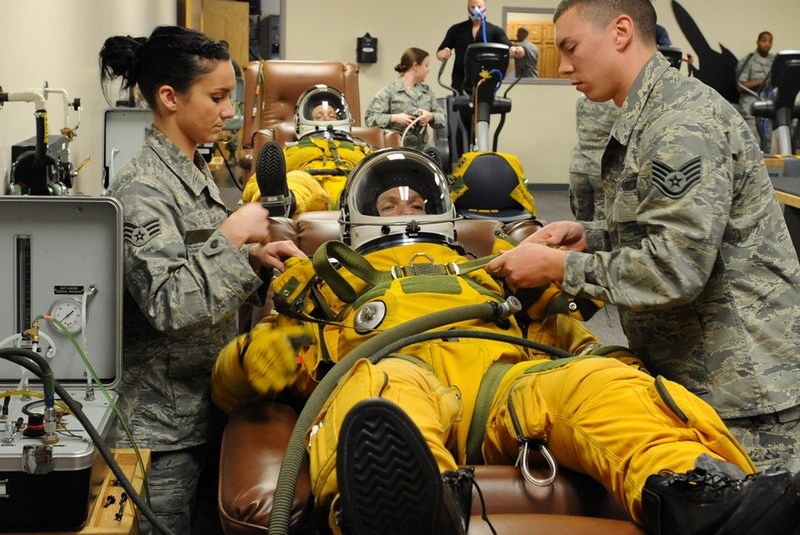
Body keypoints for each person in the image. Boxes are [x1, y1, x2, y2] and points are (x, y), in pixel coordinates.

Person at [211, 148, 800, 535]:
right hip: (396, 365)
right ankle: (418, 513)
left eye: (418, 200)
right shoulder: (323, 272)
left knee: (598, 386)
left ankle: (704, 500)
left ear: (444, 209)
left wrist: (606, 361)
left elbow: (562, 336)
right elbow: (256, 365)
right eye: (389, 202)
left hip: (507, 384)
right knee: (380, 396)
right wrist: (254, 359)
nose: (406, 209)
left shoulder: (493, 265)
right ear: (358, 213)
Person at [486, 0, 800, 476]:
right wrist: (592, 235)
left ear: (621, 31)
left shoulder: (680, 126)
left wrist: (559, 267)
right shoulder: (652, 112)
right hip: (700, 372)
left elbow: (675, 268)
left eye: (570, 47)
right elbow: (669, 232)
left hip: (745, 390)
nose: (563, 65)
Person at [99, 25, 304, 534]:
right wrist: (232, 237)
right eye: (216, 98)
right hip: (159, 427)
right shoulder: (143, 189)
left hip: (201, 397)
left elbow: (192, 267)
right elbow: (169, 303)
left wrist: (253, 260)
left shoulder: (189, 170)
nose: (229, 112)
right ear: (169, 98)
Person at [241, 84, 372, 216]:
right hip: (310, 187)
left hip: (352, 188)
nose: (326, 119)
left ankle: (356, 201)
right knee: (297, 180)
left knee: (367, 185)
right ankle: (281, 200)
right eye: (319, 116)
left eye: (332, 115)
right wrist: (262, 193)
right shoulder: (293, 150)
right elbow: (254, 183)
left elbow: (380, 170)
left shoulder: (361, 149)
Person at [436, 0, 524, 92]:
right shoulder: (456, 29)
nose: (476, 9)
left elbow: (509, 47)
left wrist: (517, 50)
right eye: (472, 7)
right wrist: (442, 54)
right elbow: (440, 52)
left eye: (479, 6)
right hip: (460, 83)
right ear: (468, 9)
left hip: (486, 82)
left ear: (485, 9)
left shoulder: (495, 30)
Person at [364, 47, 446, 150]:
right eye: (426, 65)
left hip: (421, 152)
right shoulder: (389, 92)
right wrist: (394, 118)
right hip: (395, 151)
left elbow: (443, 119)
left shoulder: (427, 92)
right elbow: (370, 118)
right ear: (415, 66)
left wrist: (430, 116)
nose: (428, 70)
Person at [569, 95, 619, 221]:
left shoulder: (581, 100)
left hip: (579, 166)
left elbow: (579, 126)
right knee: (602, 224)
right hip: (604, 167)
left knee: (581, 222)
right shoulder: (618, 102)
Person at [737, 31, 775, 145]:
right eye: (764, 41)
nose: (767, 44)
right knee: (753, 143)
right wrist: (758, 82)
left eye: (770, 41)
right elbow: (739, 85)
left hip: (768, 107)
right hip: (751, 108)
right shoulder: (748, 60)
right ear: (757, 42)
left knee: (767, 141)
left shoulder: (775, 61)